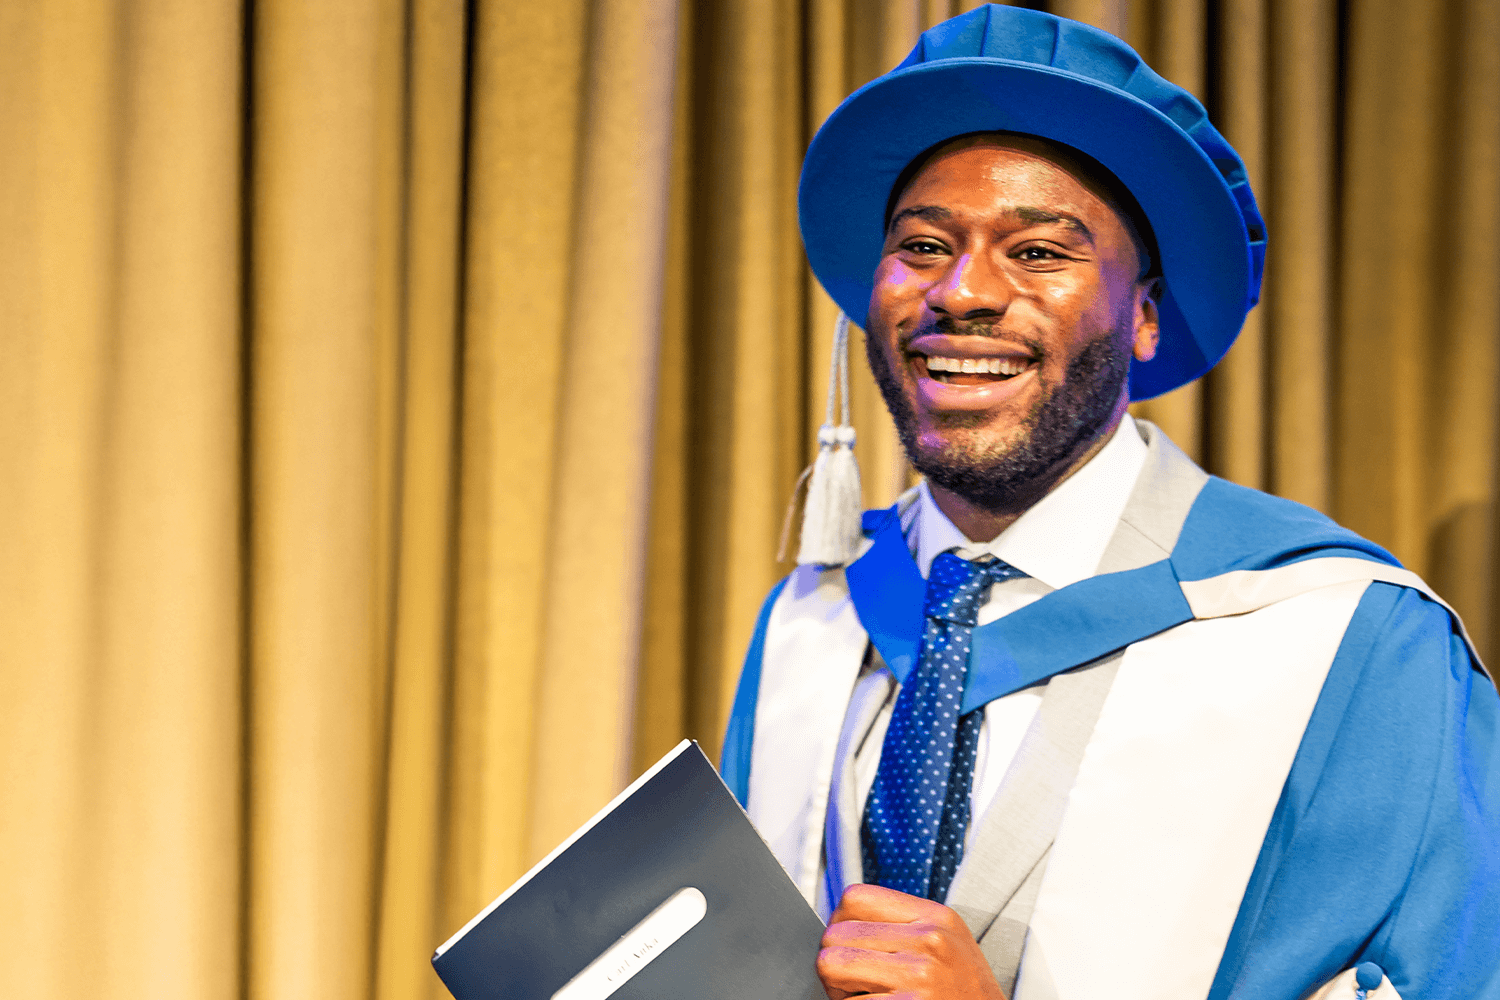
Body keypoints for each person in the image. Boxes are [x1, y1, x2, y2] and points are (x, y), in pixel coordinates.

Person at [717, 7, 1500, 1000]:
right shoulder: (816, 619)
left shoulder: (1348, 636)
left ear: (1144, 315)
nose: (961, 291)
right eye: (922, 245)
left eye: (1040, 252)